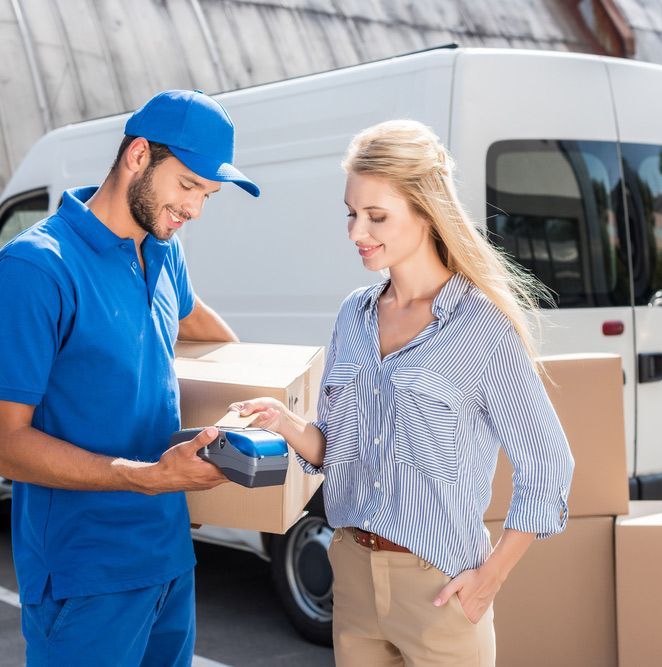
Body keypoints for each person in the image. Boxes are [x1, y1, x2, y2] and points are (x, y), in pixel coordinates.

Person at [231, 120, 575, 666]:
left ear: (426, 211)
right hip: (352, 578)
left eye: (376, 216)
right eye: (351, 213)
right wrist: (288, 425)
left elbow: (549, 464)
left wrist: (491, 577)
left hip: (440, 587)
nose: (355, 232)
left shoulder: (481, 327)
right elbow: (339, 451)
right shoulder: (354, 315)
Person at [0, 90, 259, 666]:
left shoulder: (162, 252)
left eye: (208, 194)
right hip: (86, 574)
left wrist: (265, 402)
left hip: (170, 559)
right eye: (187, 185)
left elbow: (215, 340)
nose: (195, 209)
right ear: (137, 156)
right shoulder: (35, 269)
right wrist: (146, 477)